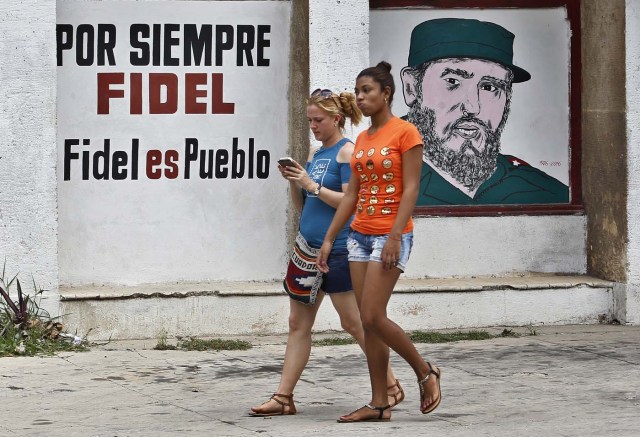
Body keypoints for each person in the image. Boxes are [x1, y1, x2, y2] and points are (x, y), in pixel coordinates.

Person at [250, 88, 404, 417]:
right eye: (309, 120)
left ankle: (390, 385)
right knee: (297, 323)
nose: (313, 126)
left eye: (318, 120)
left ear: (336, 119)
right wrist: (295, 181)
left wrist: (312, 185)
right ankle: (283, 397)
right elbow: (302, 206)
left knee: (354, 322)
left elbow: (352, 203)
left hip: (339, 251)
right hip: (306, 249)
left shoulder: (348, 153)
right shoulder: (315, 154)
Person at [317, 62, 442, 422]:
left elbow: (412, 188)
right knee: (367, 321)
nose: (360, 98)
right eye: (357, 92)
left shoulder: (406, 133)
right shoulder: (364, 139)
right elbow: (353, 194)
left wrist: (394, 235)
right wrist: (329, 239)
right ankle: (379, 402)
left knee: (372, 315)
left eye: (367, 91)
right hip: (358, 237)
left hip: (391, 235)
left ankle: (424, 371)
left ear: (386, 93)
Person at [399, 18, 569, 205]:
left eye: (489, 87)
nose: (473, 108)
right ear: (412, 87)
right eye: (453, 81)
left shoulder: (546, 193)